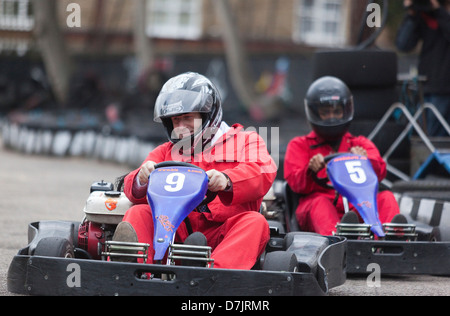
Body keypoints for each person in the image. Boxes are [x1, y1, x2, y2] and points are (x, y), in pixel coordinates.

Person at [113, 72, 277, 270]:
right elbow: (132, 187)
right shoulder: (166, 151)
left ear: (207, 115)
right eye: (175, 120)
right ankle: (132, 272)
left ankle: (213, 276)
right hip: (174, 231)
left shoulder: (246, 141)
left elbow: (262, 171)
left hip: (223, 235)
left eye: (187, 118)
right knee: (139, 212)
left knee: (255, 222)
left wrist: (227, 180)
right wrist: (142, 179)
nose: (181, 127)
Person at [284, 76, 401, 236]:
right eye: (326, 113)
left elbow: (380, 173)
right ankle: (338, 244)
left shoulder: (359, 144)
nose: (332, 117)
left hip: (357, 205)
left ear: (346, 111)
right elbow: (295, 184)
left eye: (337, 112)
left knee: (385, 197)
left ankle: (390, 240)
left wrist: (366, 161)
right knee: (320, 204)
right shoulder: (300, 145)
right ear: (315, 114)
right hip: (317, 205)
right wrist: (310, 170)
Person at [396, 0, 450, 136]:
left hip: (445, 88)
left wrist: (439, 11)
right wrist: (412, 13)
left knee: (438, 139)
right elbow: (403, 44)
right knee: (422, 137)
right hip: (425, 86)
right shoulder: (424, 14)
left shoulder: (442, 14)